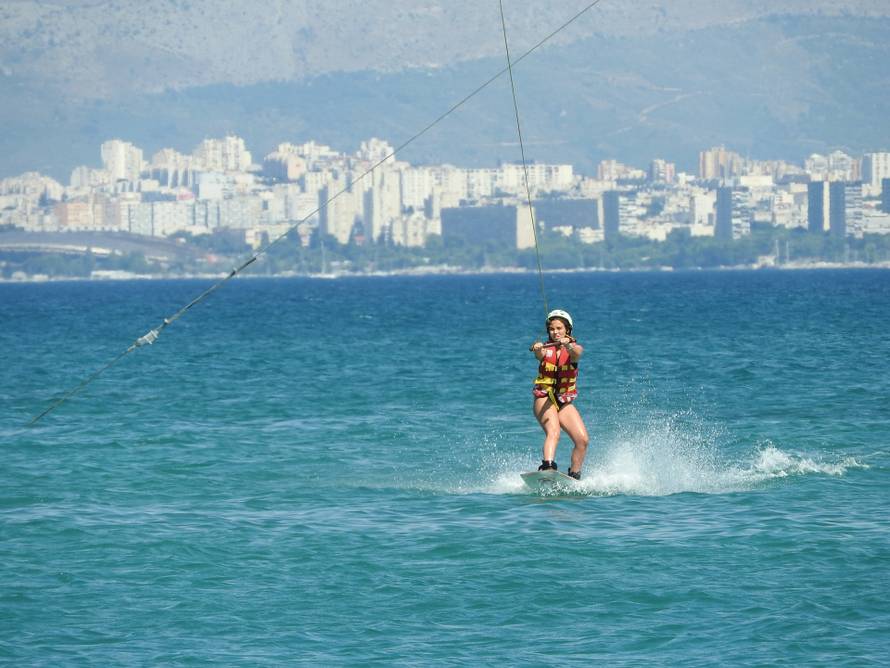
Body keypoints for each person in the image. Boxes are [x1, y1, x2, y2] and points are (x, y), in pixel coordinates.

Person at [530, 309, 590, 479]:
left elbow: (577, 353)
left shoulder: (574, 349)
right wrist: (537, 348)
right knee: (554, 431)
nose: (555, 332)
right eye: (552, 329)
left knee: (582, 440)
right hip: (545, 398)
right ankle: (547, 467)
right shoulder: (546, 349)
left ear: (568, 330)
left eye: (559, 328)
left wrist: (568, 344)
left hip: (563, 401)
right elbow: (539, 354)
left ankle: (574, 475)